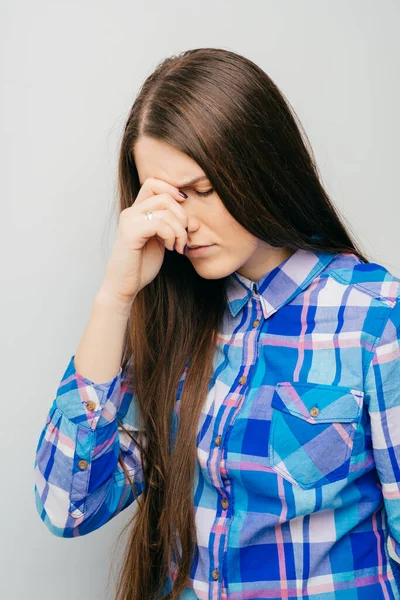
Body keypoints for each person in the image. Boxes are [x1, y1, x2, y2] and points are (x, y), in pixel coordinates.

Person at [33, 47, 400, 600]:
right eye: (165, 197)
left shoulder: (374, 316)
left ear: (261, 168)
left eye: (203, 190)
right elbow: (68, 505)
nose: (186, 221)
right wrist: (116, 295)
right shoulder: (174, 318)